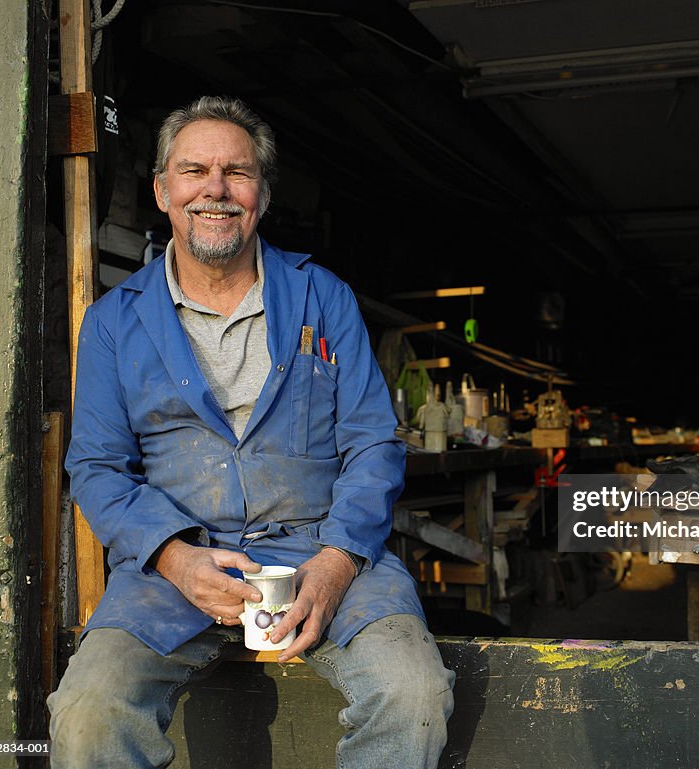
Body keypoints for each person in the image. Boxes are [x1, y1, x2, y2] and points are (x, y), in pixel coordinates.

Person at [48, 96, 455, 768]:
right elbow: (96, 466)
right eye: (194, 171)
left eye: (236, 173)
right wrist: (175, 556)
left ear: (262, 195)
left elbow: (373, 443)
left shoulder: (324, 298)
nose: (215, 189)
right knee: (87, 715)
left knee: (411, 692)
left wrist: (337, 561)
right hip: (173, 562)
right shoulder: (113, 321)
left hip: (323, 547)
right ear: (161, 191)